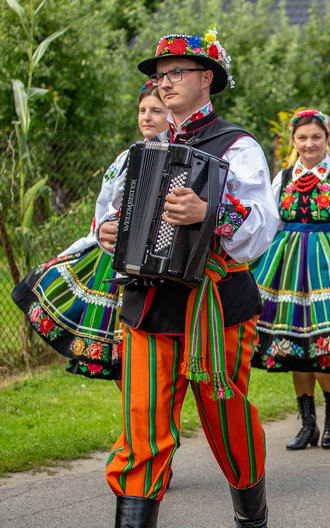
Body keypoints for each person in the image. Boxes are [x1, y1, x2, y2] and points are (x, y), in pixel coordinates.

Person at [98, 27, 278, 527]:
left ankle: (252, 512)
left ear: (207, 78)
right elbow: (107, 209)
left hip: (216, 305)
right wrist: (108, 231)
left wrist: (208, 210)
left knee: (226, 420)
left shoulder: (237, 146)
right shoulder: (143, 148)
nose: (165, 82)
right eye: (160, 75)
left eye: (176, 72)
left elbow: (262, 226)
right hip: (148, 303)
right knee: (143, 427)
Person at [11, 83, 168, 382]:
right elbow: (105, 203)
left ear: (170, 114)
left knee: (146, 356)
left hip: (152, 264)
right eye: (142, 110)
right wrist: (101, 232)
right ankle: (134, 423)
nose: (146, 117)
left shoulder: (179, 153)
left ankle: (150, 422)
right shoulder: (125, 158)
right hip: (113, 257)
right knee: (117, 355)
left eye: (156, 111)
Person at [251, 108, 330, 452]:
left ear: (328, 139)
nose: (309, 144)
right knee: (294, 345)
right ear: (294, 141)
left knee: (323, 344)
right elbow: (272, 223)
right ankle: (307, 422)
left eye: (316, 137)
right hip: (287, 266)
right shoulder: (282, 178)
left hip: (328, 264)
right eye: (303, 138)